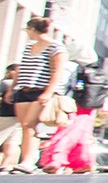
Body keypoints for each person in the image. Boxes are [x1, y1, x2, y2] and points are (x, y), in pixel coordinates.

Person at [8, 17, 65, 174]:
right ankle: (26, 160)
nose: (27, 33)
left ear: (33, 29)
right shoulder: (29, 47)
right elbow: (22, 69)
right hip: (23, 89)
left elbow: (58, 72)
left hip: (41, 90)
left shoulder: (56, 47)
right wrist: (13, 88)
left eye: (27, 30)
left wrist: (49, 92)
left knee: (29, 124)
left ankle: (28, 161)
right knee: (25, 127)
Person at [0, 63, 18, 171]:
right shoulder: (23, 85)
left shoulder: (5, 83)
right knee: (12, 142)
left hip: (5, 114)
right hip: (20, 116)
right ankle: (6, 164)